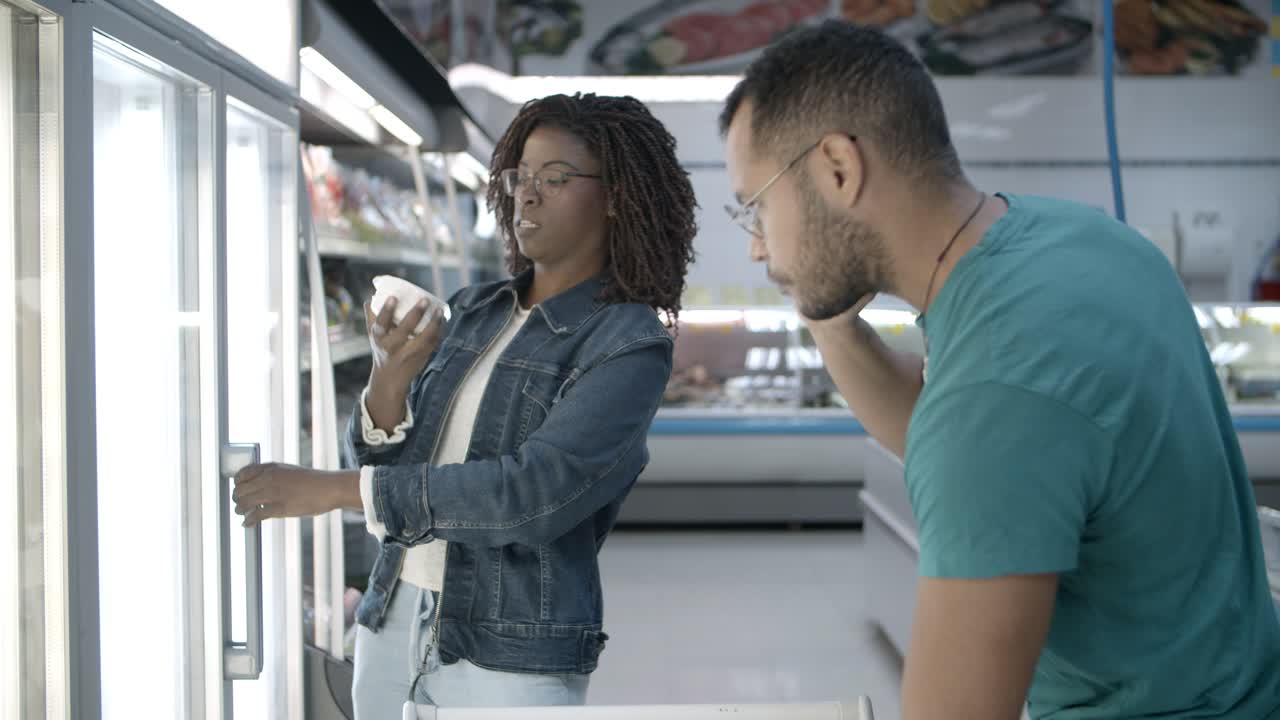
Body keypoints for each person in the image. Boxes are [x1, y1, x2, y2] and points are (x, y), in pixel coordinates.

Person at [720, 20, 1280, 720]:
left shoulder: (997, 395)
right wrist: (825, 313)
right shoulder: (1078, 238)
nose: (755, 247)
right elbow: (943, 438)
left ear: (838, 168)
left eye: (756, 207)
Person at [233, 92, 697, 716]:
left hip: (505, 651)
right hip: (392, 617)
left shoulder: (628, 342)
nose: (526, 195)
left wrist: (339, 490)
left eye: (554, 179)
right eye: (519, 177)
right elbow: (394, 460)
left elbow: (533, 495)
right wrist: (388, 376)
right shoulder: (476, 310)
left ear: (617, 197)